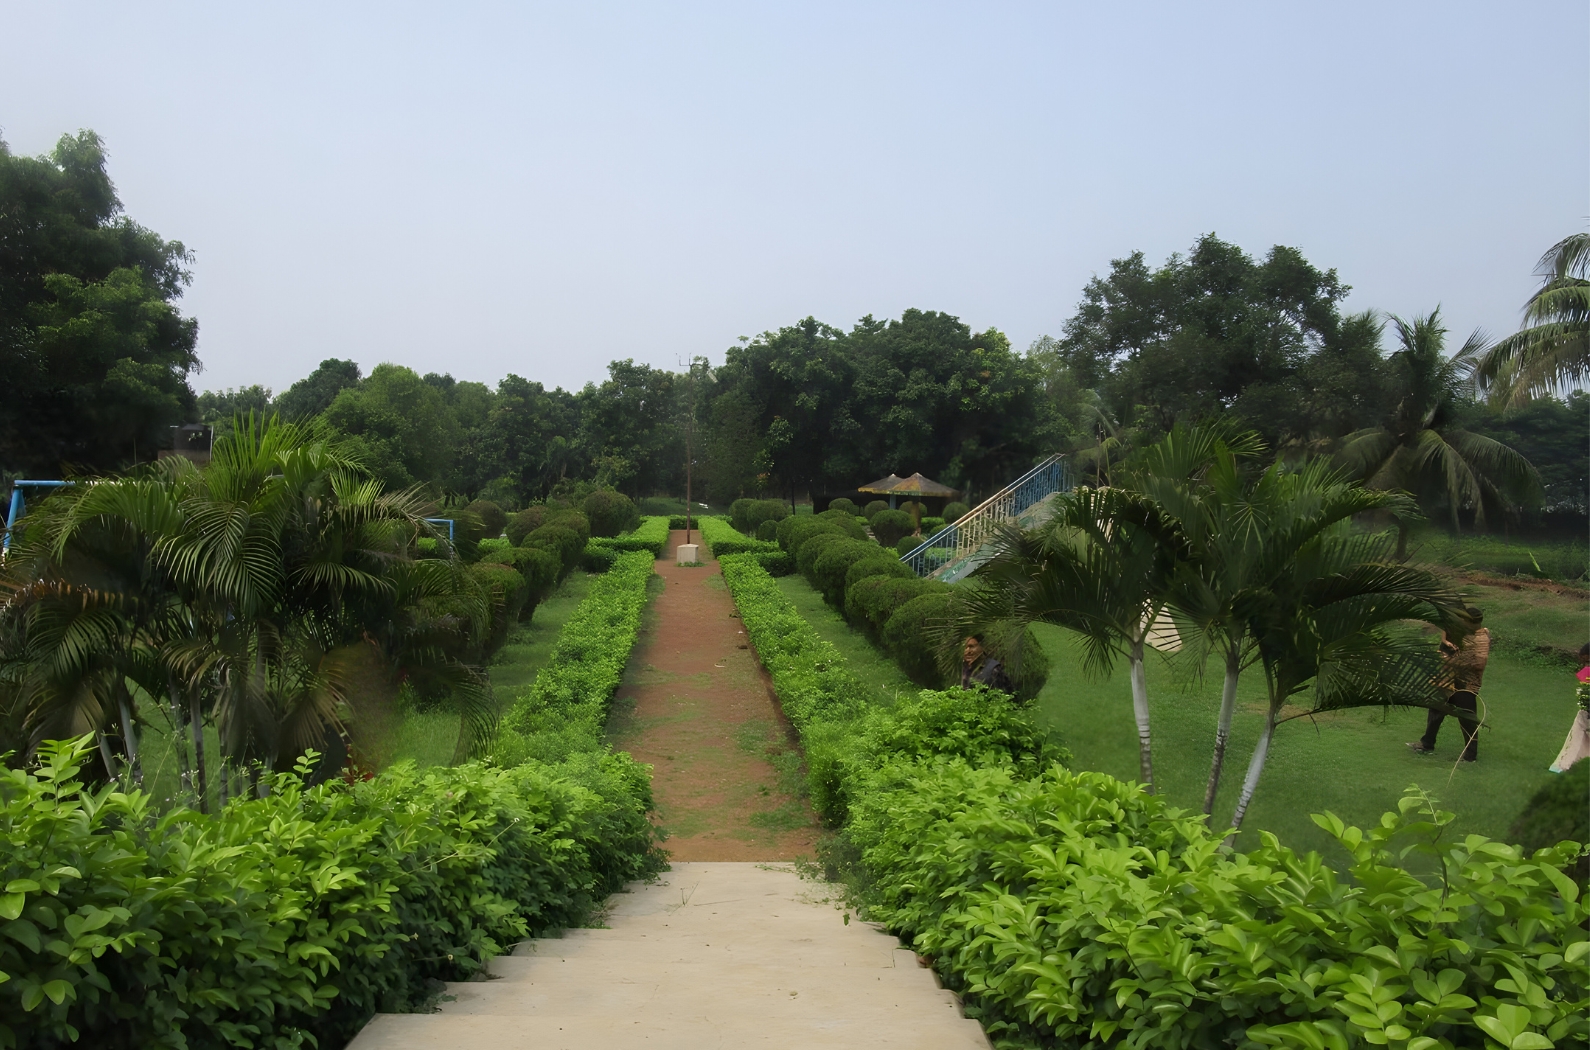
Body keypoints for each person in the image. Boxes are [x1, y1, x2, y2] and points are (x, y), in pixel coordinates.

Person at [1408, 606, 1489, 761]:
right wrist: (1445, 642)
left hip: (1464, 685)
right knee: (1436, 711)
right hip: (1446, 681)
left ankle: (1470, 756)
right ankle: (1427, 744)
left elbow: (1479, 663)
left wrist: (1450, 660)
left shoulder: (1481, 639)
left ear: (1469, 622)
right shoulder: (1464, 632)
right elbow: (1447, 627)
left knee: (1467, 719)